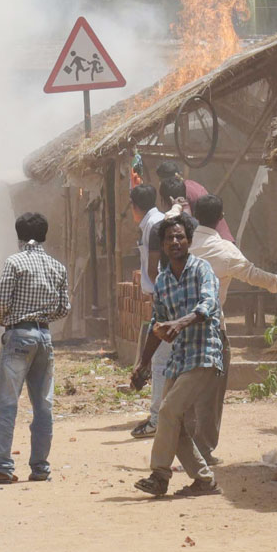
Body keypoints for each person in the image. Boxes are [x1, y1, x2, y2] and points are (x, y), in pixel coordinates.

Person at [187, 194, 277, 462]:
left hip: (180, 329)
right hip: (211, 331)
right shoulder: (225, 251)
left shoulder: (182, 244)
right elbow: (254, 275)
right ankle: (202, 450)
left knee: (185, 391)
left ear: (194, 215)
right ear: (221, 218)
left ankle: (184, 448)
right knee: (211, 394)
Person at [0, 212, 69, 485]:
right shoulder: (57, 266)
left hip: (18, 336)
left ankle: (2, 466)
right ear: (44, 235)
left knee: (5, 403)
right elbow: (64, 308)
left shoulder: (14, 263)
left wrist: (7, 323)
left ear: (18, 235)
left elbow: (1, 303)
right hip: (44, 337)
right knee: (43, 406)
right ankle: (40, 468)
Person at [131, 215, 223, 497]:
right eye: (169, 238)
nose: (175, 242)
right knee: (173, 422)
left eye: (180, 237)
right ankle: (204, 480)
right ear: (162, 244)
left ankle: (159, 475)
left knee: (168, 410)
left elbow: (208, 304)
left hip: (204, 354)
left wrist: (180, 323)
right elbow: (157, 324)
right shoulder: (162, 282)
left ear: (189, 241)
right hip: (179, 358)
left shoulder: (202, 269)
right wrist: (142, 365)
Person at [128, 183, 167, 439]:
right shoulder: (152, 222)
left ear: (135, 207)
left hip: (163, 299)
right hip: (160, 297)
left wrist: (160, 294)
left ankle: (157, 418)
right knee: (157, 358)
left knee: (160, 360)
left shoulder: (154, 225)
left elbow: (155, 268)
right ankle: (160, 414)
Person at [155, 161, 233, 242]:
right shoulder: (190, 184)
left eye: (160, 180)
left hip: (215, 240)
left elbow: (187, 221)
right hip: (220, 238)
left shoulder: (182, 191)